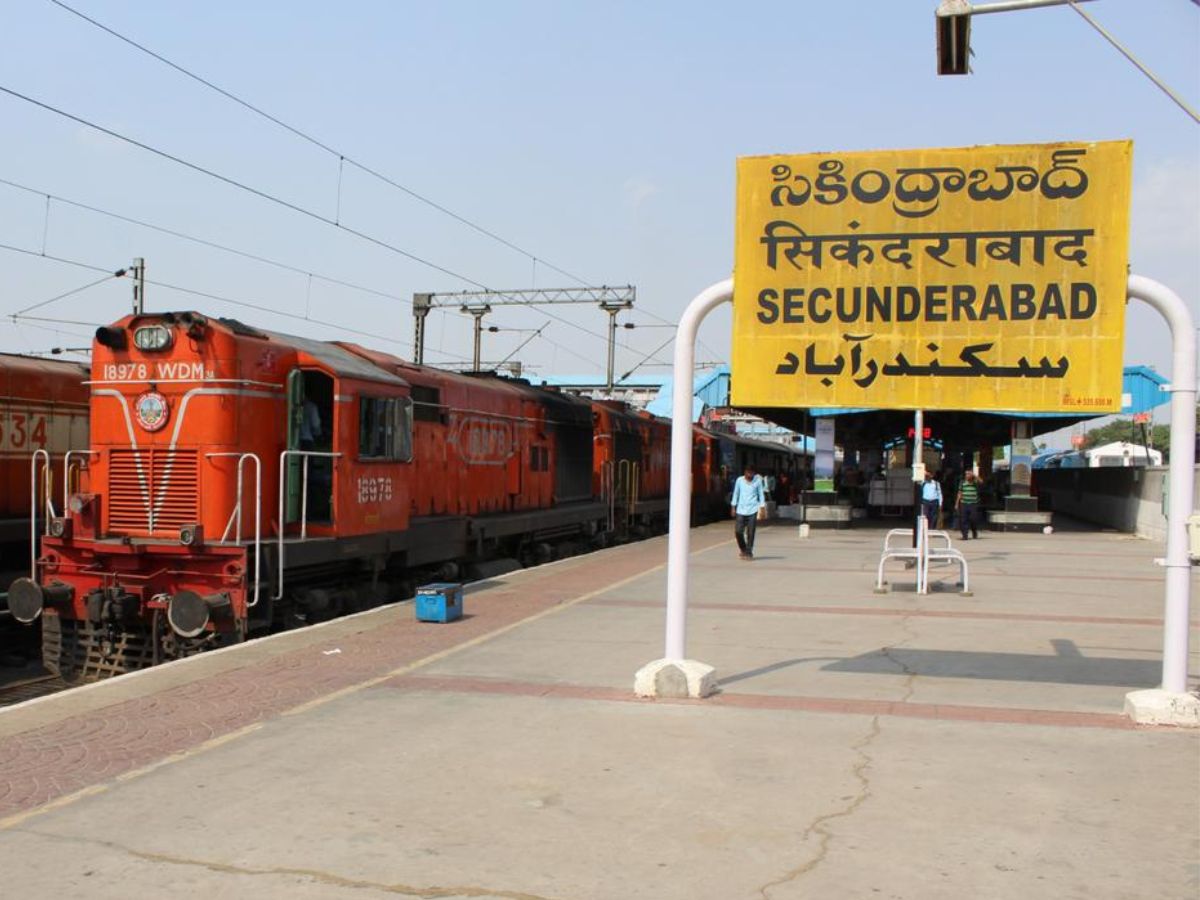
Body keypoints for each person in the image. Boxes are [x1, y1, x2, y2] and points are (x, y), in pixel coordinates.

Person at [730, 464, 766, 560]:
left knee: (751, 532)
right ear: (744, 472)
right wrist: (733, 506)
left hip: (752, 509)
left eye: (751, 473)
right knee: (738, 531)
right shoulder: (739, 480)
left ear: (754, 473)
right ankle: (743, 548)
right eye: (747, 472)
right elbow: (736, 493)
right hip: (741, 510)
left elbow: (761, 495)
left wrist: (762, 508)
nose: (749, 475)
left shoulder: (757, 481)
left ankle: (749, 552)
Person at [956, 470, 981, 540]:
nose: (967, 476)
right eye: (966, 474)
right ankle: (965, 535)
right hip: (964, 503)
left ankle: (974, 531)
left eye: (969, 474)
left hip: (973, 504)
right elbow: (959, 493)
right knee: (963, 520)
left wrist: (974, 475)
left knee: (973, 519)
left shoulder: (975, 483)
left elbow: (981, 481)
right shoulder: (962, 483)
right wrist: (957, 503)